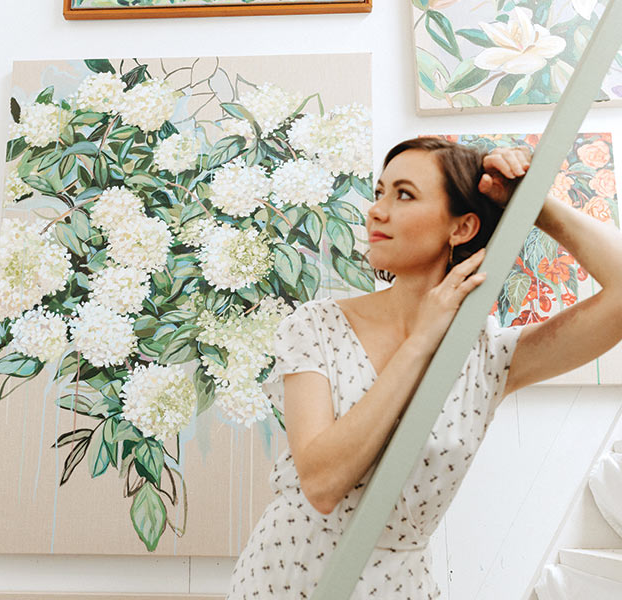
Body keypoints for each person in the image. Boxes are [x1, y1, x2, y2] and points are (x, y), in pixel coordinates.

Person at [226, 137, 622, 599]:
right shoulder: (315, 327)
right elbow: (322, 482)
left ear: (462, 227)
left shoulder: (487, 357)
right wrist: (420, 343)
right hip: (284, 576)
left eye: (404, 194)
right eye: (379, 193)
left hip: (396, 587)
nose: (376, 210)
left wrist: (533, 201)